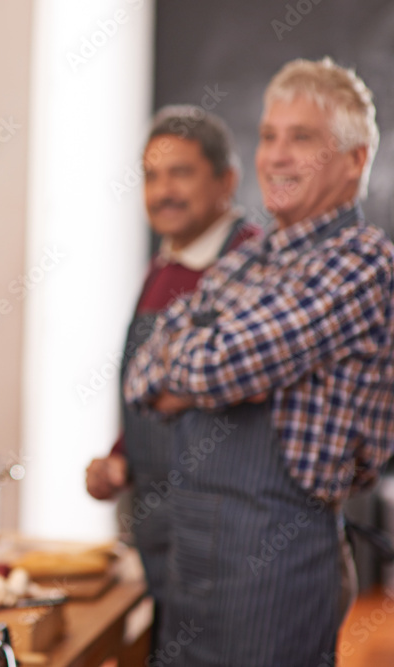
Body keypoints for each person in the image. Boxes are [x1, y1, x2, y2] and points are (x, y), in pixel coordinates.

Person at [124, 57, 394, 666]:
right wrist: (213, 374)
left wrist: (197, 371)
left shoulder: (360, 262)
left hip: (275, 563)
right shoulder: (250, 259)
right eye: (270, 135)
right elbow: (147, 373)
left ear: (354, 160)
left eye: (303, 138)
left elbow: (222, 363)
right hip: (192, 557)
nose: (276, 155)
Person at [84, 105, 259, 643]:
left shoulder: (249, 263)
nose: (163, 192)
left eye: (180, 172)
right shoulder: (165, 265)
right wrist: (119, 458)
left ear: (226, 181)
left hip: (224, 535)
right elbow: (152, 385)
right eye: (151, 176)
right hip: (159, 522)